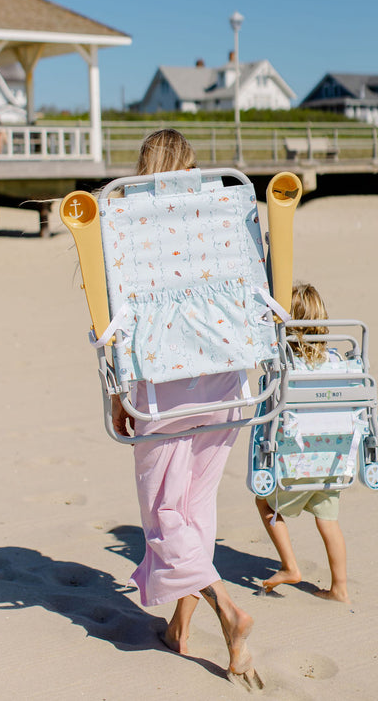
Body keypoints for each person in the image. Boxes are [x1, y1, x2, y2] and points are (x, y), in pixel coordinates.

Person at [111, 128, 263, 690]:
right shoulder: (221, 210)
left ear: (144, 164)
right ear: (192, 166)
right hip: (225, 375)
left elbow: (114, 318)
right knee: (196, 504)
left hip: (162, 379)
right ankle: (179, 626)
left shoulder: (125, 221)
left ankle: (226, 607)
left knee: (163, 513)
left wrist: (114, 390)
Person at [255, 282, 350, 603]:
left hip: (297, 464)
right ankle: (340, 588)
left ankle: (290, 565)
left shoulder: (284, 367)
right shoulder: (339, 362)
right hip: (334, 461)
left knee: (264, 502)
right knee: (329, 520)